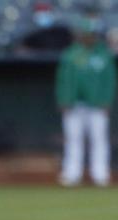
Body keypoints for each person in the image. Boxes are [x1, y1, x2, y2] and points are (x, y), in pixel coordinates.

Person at [56, 16, 115, 187]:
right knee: (73, 139)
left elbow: (110, 80)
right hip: (74, 104)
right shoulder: (70, 54)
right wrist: (64, 99)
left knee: (99, 139)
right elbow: (63, 79)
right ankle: (71, 174)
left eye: (92, 34)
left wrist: (107, 100)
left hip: (97, 105)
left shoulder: (104, 55)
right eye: (86, 34)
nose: (89, 37)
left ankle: (100, 174)